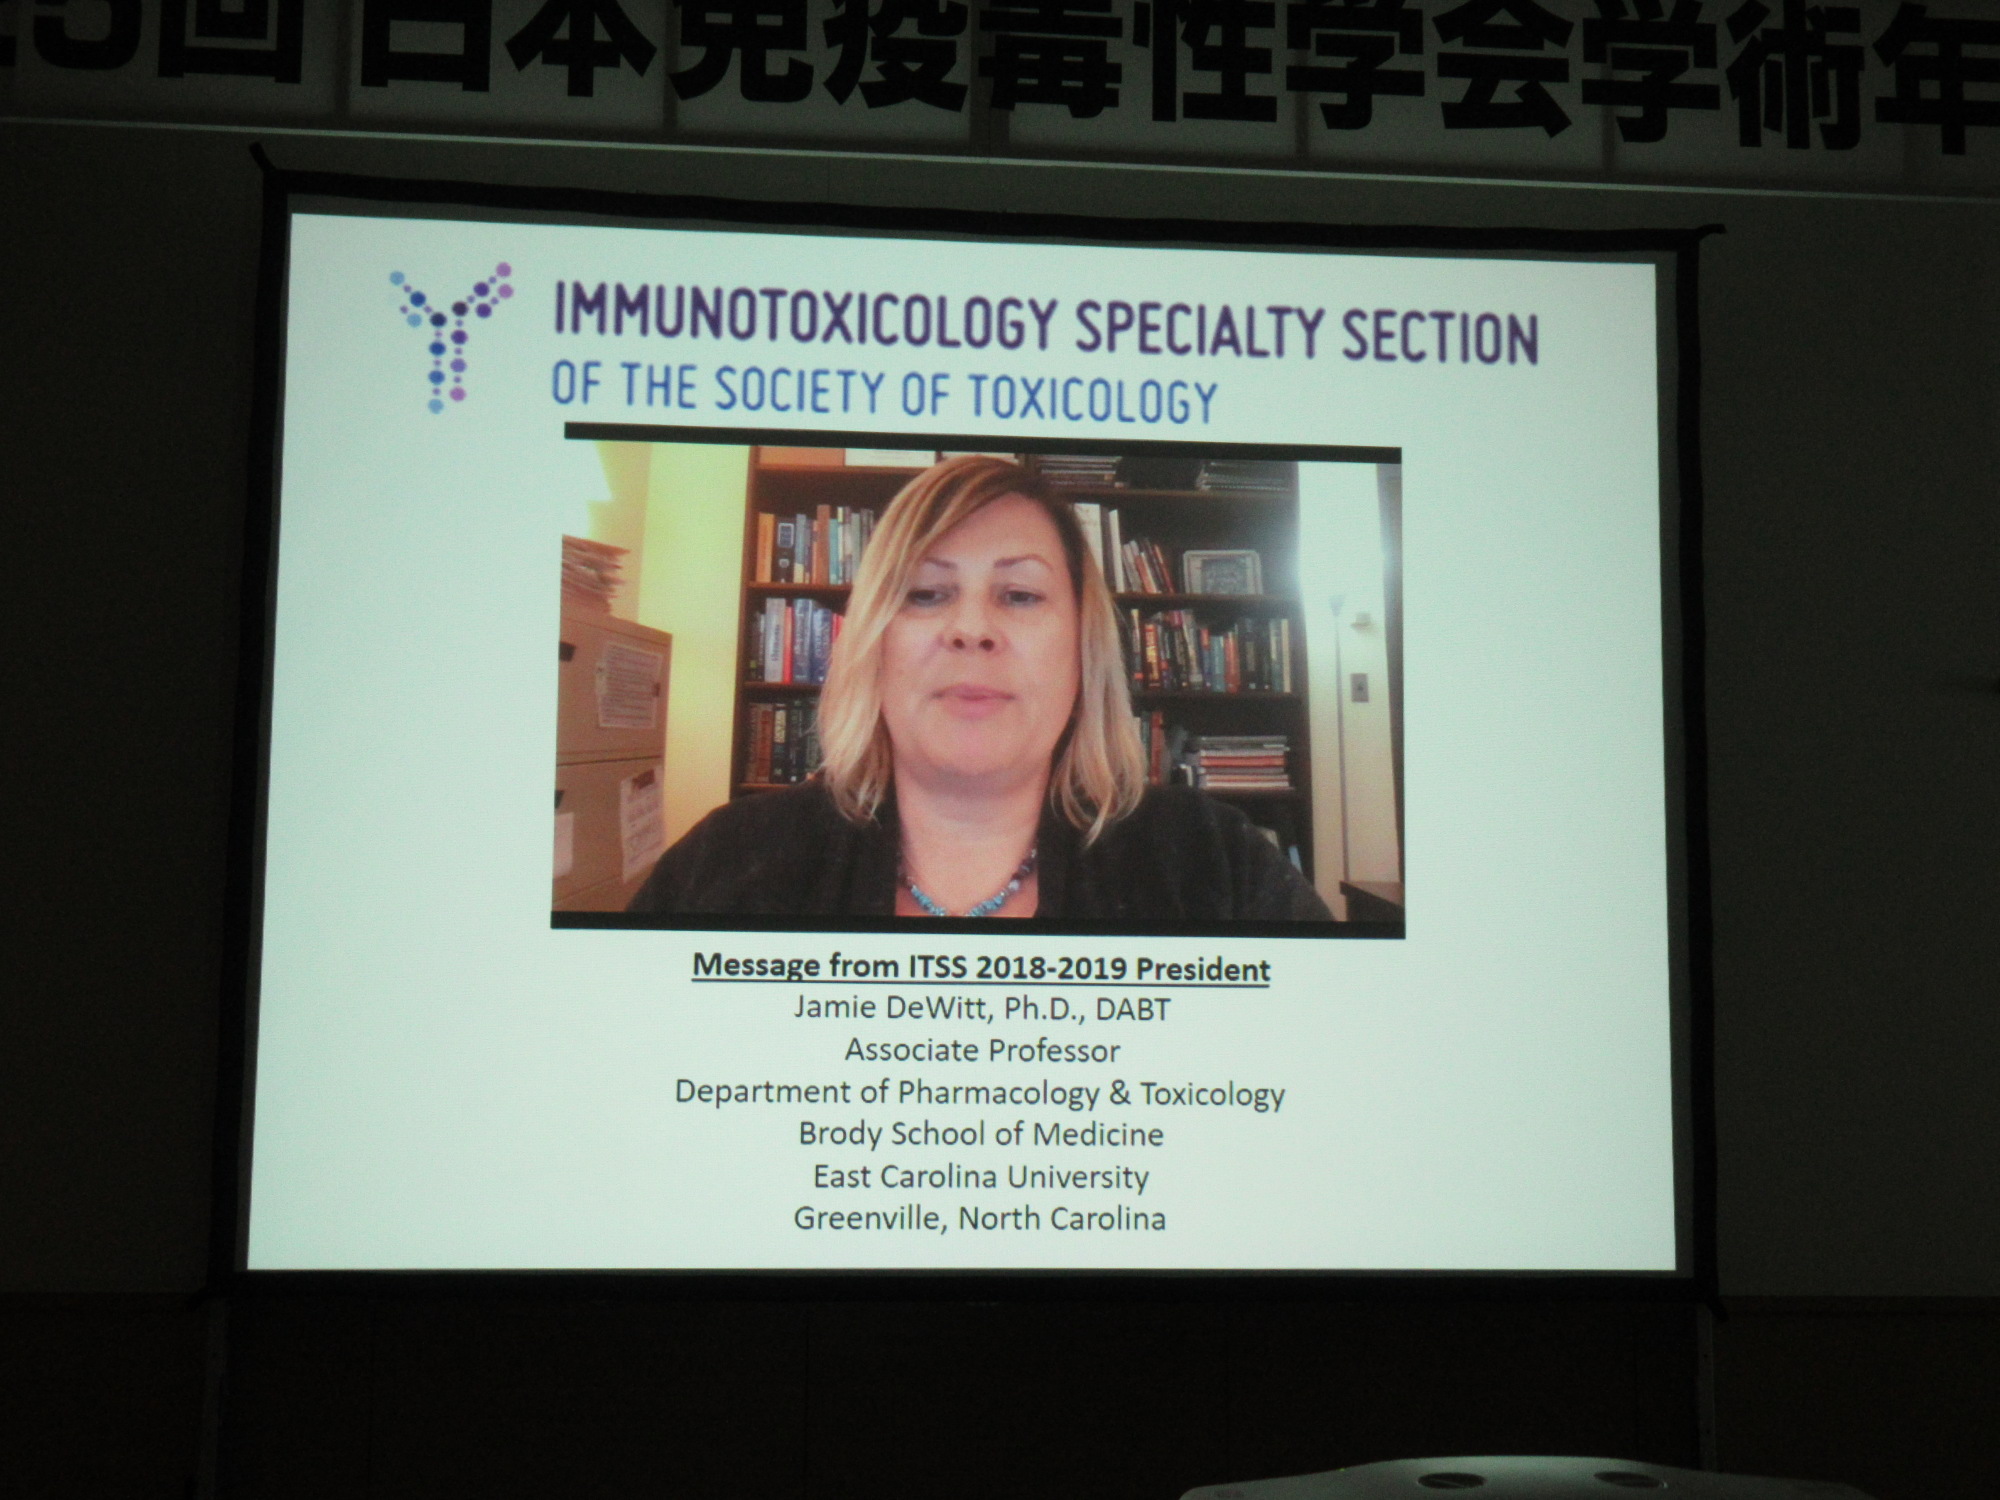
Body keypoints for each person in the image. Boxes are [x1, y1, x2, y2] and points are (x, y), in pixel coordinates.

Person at [628, 456, 1331, 920]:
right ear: (874, 643)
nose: (971, 629)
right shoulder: (723, 867)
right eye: (926, 593)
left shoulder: (1219, 868)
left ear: (1082, 647)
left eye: (1020, 595)